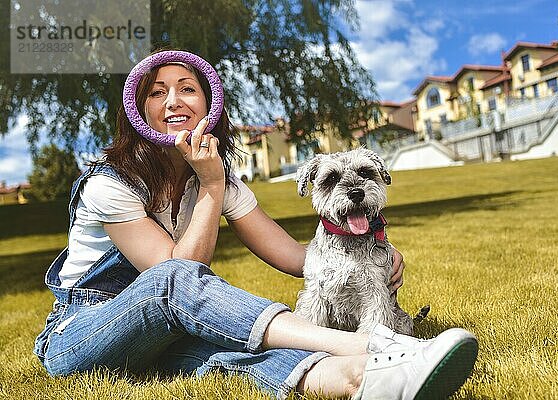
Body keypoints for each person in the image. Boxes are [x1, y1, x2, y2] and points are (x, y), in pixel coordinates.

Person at [34, 50, 478, 400]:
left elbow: (297, 259)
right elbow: (175, 273)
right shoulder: (109, 184)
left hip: (158, 338)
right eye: (157, 92)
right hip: (81, 337)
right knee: (174, 280)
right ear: (138, 109)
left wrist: (372, 247)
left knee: (237, 352)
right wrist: (210, 184)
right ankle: (372, 347)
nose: (173, 101)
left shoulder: (218, 177)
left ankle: (365, 378)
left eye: (187, 88)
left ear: (209, 105)